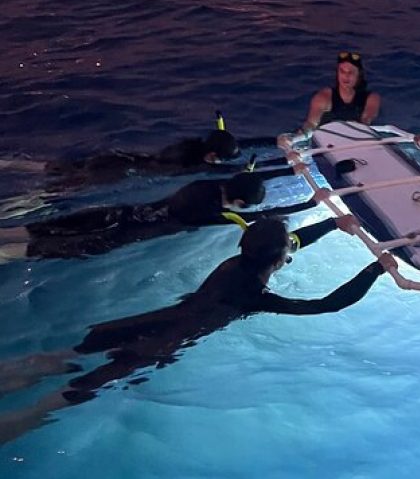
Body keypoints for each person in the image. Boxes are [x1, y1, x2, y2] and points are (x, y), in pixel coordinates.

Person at [0, 215, 396, 444]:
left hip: (145, 322)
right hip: (158, 344)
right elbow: (327, 304)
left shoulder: (237, 262)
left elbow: (287, 243)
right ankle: (18, 422)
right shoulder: (252, 295)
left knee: (64, 357)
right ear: (277, 260)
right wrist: (379, 267)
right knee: (82, 388)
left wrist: (333, 223)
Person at [0, 167, 314, 261]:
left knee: (45, 228)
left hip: (117, 214)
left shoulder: (210, 184)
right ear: (240, 204)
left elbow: (250, 180)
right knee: (45, 250)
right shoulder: (208, 214)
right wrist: (311, 204)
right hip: (120, 235)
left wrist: (288, 168)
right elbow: (269, 215)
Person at [0, 112, 288, 194]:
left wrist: (275, 140)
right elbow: (229, 171)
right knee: (53, 193)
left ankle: (8, 163)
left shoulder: (191, 146)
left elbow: (240, 146)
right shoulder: (195, 165)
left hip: (119, 157)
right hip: (116, 172)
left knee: (54, 168)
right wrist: (284, 162)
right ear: (212, 156)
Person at [302, 51, 381, 131]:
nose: (346, 76)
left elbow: (366, 119)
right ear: (337, 73)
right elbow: (311, 124)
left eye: (351, 72)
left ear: (359, 75)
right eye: (342, 71)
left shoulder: (372, 98)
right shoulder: (323, 98)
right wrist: (297, 136)